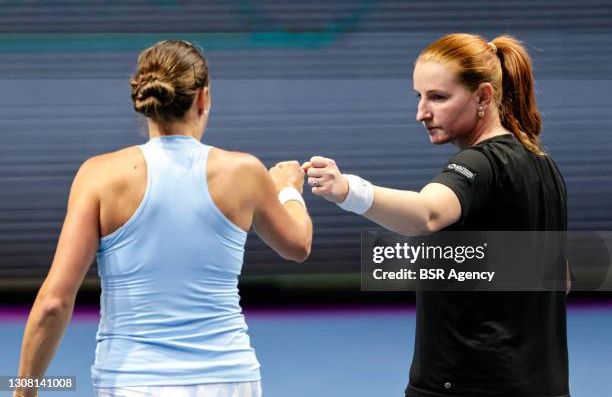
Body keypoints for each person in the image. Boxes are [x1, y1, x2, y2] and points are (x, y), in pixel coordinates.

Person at [14, 40, 312, 397]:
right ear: (203, 99)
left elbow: (53, 303)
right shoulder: (245, 172)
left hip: (132, 383)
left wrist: (24, 391)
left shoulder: (98, 176)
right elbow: (298, 245)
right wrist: (288, 189)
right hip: (230, 380)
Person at [304, 34, 569, 396]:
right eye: (419, 97)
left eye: (438, 97)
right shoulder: (545, 166)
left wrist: (348, 191)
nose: (422, 113)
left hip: (463, 386)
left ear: (483, 97)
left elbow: (427, 214)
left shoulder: (477, 162)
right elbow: (561, 279)